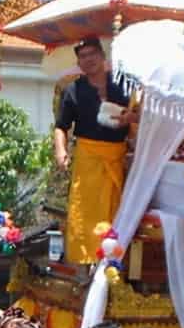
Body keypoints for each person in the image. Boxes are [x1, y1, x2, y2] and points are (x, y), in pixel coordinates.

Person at [52, 37, 133, 264]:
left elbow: (141, 117)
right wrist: (61, 151)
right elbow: (61, 126)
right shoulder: (73, 90)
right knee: (84, 213)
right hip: (88, 160)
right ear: (79, 63)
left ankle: (113, 264)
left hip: (118, 158)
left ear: (102, 56)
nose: (89, 60)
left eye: (92, 54)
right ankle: (85, 263)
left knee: (117, 212)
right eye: (83, 56)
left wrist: (131, 118)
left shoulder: (123, 85)